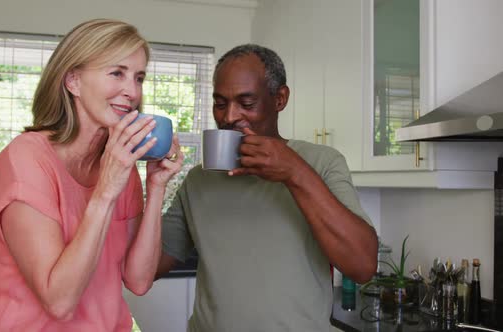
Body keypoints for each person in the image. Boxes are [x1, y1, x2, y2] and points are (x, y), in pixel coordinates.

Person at [0, 19, 183, 332]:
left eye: (138, 78)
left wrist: (156, 186)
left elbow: (138, 280)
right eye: (117, 73)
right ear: (73, 80)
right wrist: (106, 190)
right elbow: (59, 302)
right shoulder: (25, 160)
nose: (132, 91)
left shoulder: (117, 163)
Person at [156, 44, 378, 331]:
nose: (229, 117)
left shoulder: (321, 162)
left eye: (246, 103)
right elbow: (145, 268)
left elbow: (362, 266)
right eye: (220, 103)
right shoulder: (200, 179)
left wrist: (294, 172)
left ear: (280, 99)